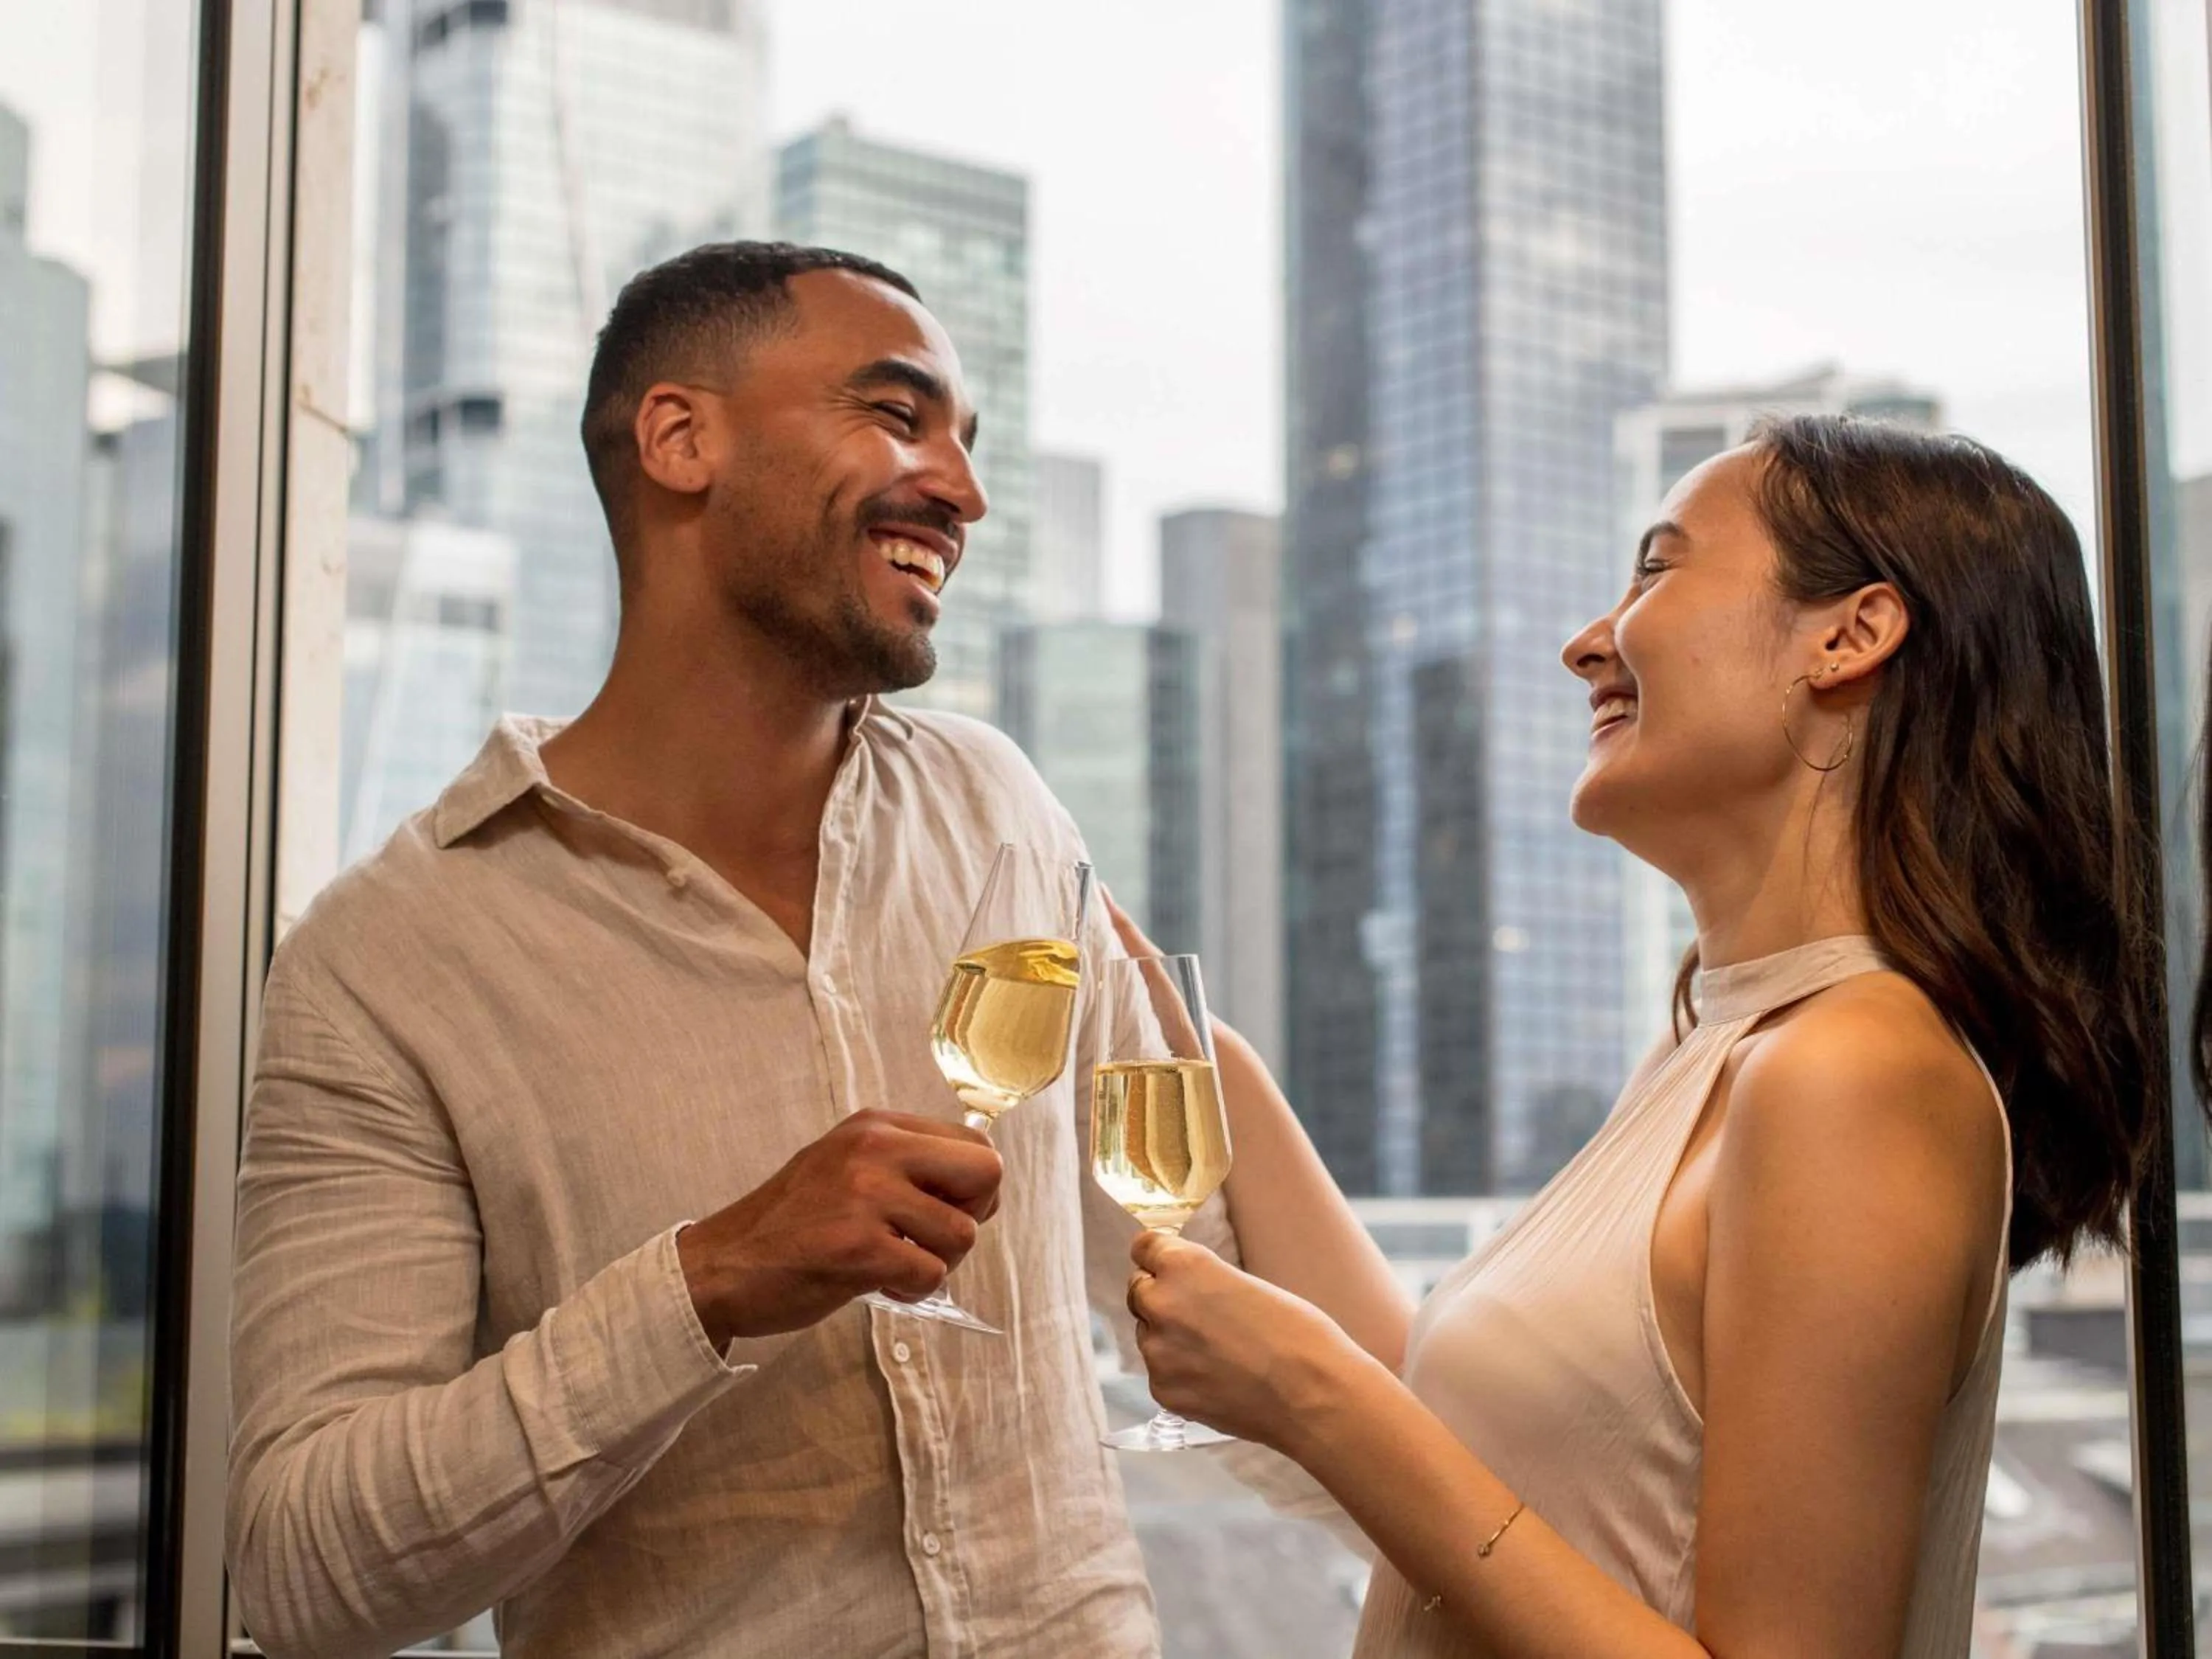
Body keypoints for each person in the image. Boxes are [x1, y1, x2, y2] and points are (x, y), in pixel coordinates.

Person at [224, 242, 1236, 1658]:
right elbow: (301, 1574)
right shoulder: (388, 962)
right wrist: (706, 1282)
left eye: (965, 437)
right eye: (898, 415)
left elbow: (1199, 1259)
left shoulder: (997, 805)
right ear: (681, 439)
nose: (963, 486)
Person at [1119, 417, 2160, 1658]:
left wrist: (1311, 1395)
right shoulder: (1718, 1043)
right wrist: (1198, 1060)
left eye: (1657, 569)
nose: (1586, 642)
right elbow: (1491, 1448)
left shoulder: (1855, 1072)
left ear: (1851, 634)